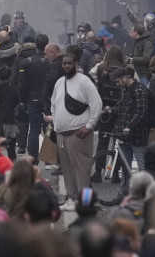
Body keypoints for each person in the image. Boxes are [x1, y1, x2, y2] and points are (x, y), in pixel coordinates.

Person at [44, 50, 101, 212]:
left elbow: (96, 104)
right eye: (64, 63)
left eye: (70, 63)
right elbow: (54, 103)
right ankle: (71, 198)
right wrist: (55, 123)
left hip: (79, 132)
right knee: (67, 168)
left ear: (76, 64)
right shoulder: (59, 82)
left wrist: (89, 126)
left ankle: (85, 202)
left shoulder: (84, 82)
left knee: (82, 168)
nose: (67, 66)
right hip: (62, 131)